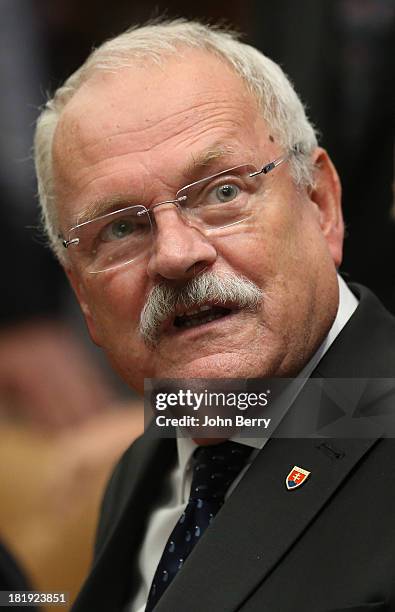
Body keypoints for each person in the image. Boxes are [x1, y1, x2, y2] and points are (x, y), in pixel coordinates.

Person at [33, 20, 395, 612]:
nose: (176, 254)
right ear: (82, 298)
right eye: (121, 228)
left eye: (222, 192)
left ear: (321, 205)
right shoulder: (155, 461)